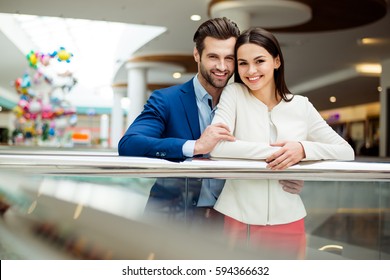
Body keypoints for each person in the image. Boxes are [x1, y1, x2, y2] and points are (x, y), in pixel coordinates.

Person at [209, 27, 355, 258]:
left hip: (288, 219)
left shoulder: (301, 105)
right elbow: (217, 147)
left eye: (259, 61)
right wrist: (281, 155)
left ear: (276, 61)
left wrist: (302, 150)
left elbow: (346, 152)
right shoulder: (233, 94)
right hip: (238, 217)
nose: (251, 70)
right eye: (243, 63)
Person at [118, 17, 240, 228]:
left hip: (228, 221)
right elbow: (129, 143)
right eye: (213, 57)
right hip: (171, 217)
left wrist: (298, 153)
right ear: (197, 55)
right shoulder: (166, 100)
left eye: (229, 58)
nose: (222, 66)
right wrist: (195, 147)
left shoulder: (245, 102)